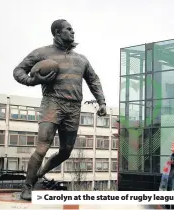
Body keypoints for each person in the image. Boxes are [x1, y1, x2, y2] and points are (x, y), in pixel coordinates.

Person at [13, 19, 107, 201]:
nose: (73, 32)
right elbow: (18, 71)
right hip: (52, 103)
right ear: (57, 33)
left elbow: (94, 80)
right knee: (42, 147)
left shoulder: (81, 59)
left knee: (66, 151)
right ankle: (27, 186)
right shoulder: (42, 53)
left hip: (74, 107)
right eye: (68, 29)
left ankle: (39, 173)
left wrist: (101, 101)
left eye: (73, 29)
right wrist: (32, 81)